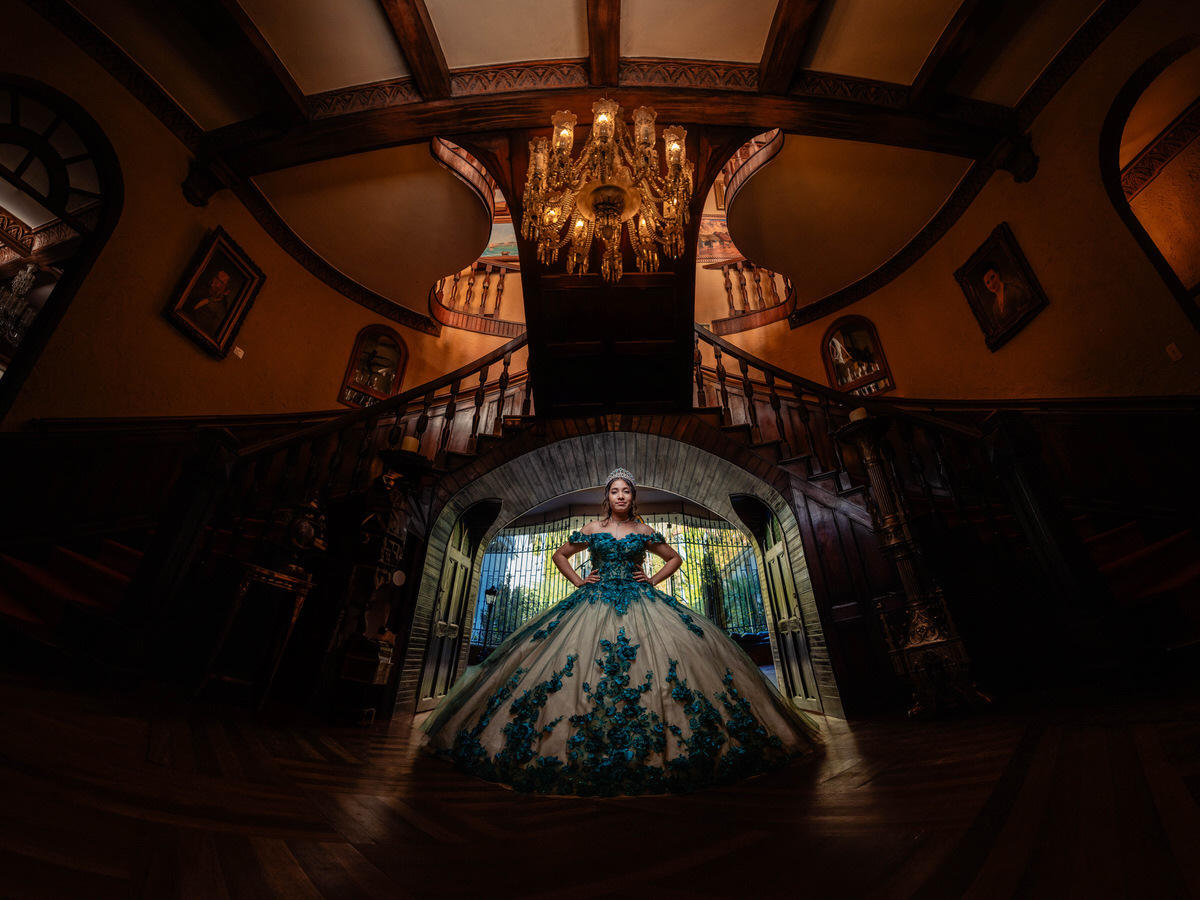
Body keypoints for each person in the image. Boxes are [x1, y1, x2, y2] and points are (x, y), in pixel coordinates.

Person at [420, 467, 821, 796]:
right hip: (592, 602)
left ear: (633, 497)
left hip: (640, 601)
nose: (621, 495)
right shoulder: (592, 528)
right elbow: (559, 553)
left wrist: (652, 580)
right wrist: (579, 581)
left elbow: (675, 557)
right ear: (607, 496)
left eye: (626, 490)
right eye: (615, 490)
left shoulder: (644, 532)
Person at [980, 263, 1032, 329]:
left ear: (998, 274)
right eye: (988, 282)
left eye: (992, 277)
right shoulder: (994, 307)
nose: (992, 283)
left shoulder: (1014, 290)